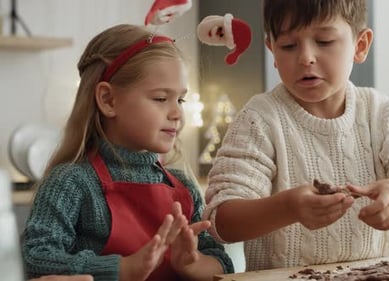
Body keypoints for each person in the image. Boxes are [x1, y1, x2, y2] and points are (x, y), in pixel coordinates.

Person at [203, 0, 389, 271]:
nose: (305, 57)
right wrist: (288, 208)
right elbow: (222, 222)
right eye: (288, 46)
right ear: (272, 50)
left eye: (324, 41)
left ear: (360, 45)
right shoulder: (259, 119)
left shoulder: (381, 113)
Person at [21, 24, 233, 281]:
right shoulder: (71, 182)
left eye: (180, 100)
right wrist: (123, 269)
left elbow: (221, 263)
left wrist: (192, 263)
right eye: (160, 98)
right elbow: (37, 258)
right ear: (108, 100)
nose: (177, 113)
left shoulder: (185, 187)